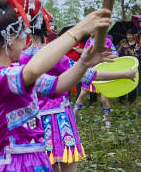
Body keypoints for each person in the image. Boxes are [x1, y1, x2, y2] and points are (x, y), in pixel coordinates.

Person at [0, 0, 113, 172]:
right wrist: (78, 30)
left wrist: (83, 63)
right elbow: (33, 70)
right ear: (10, 37)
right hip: (13, 165)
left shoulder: (13, 72)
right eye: (23, 37)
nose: (25, 42)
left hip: (36, 161)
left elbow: (57, 85)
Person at [20, 18, 135, 172]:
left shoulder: (21, 59)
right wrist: (124, 74)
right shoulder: (56, 57)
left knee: (47, 165)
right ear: (48, 30)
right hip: (60, 118)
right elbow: (88, 75)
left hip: (33, 121)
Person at [74, 33, 118, 128]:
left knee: (104, 99)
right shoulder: (89, 42)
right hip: (91, 72)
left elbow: (116, 56)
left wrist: (102, 58)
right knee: (82, 95)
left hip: (103, 73)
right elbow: (84, 58)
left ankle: (107, 122)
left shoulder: (107, 41)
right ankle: (73, 118)